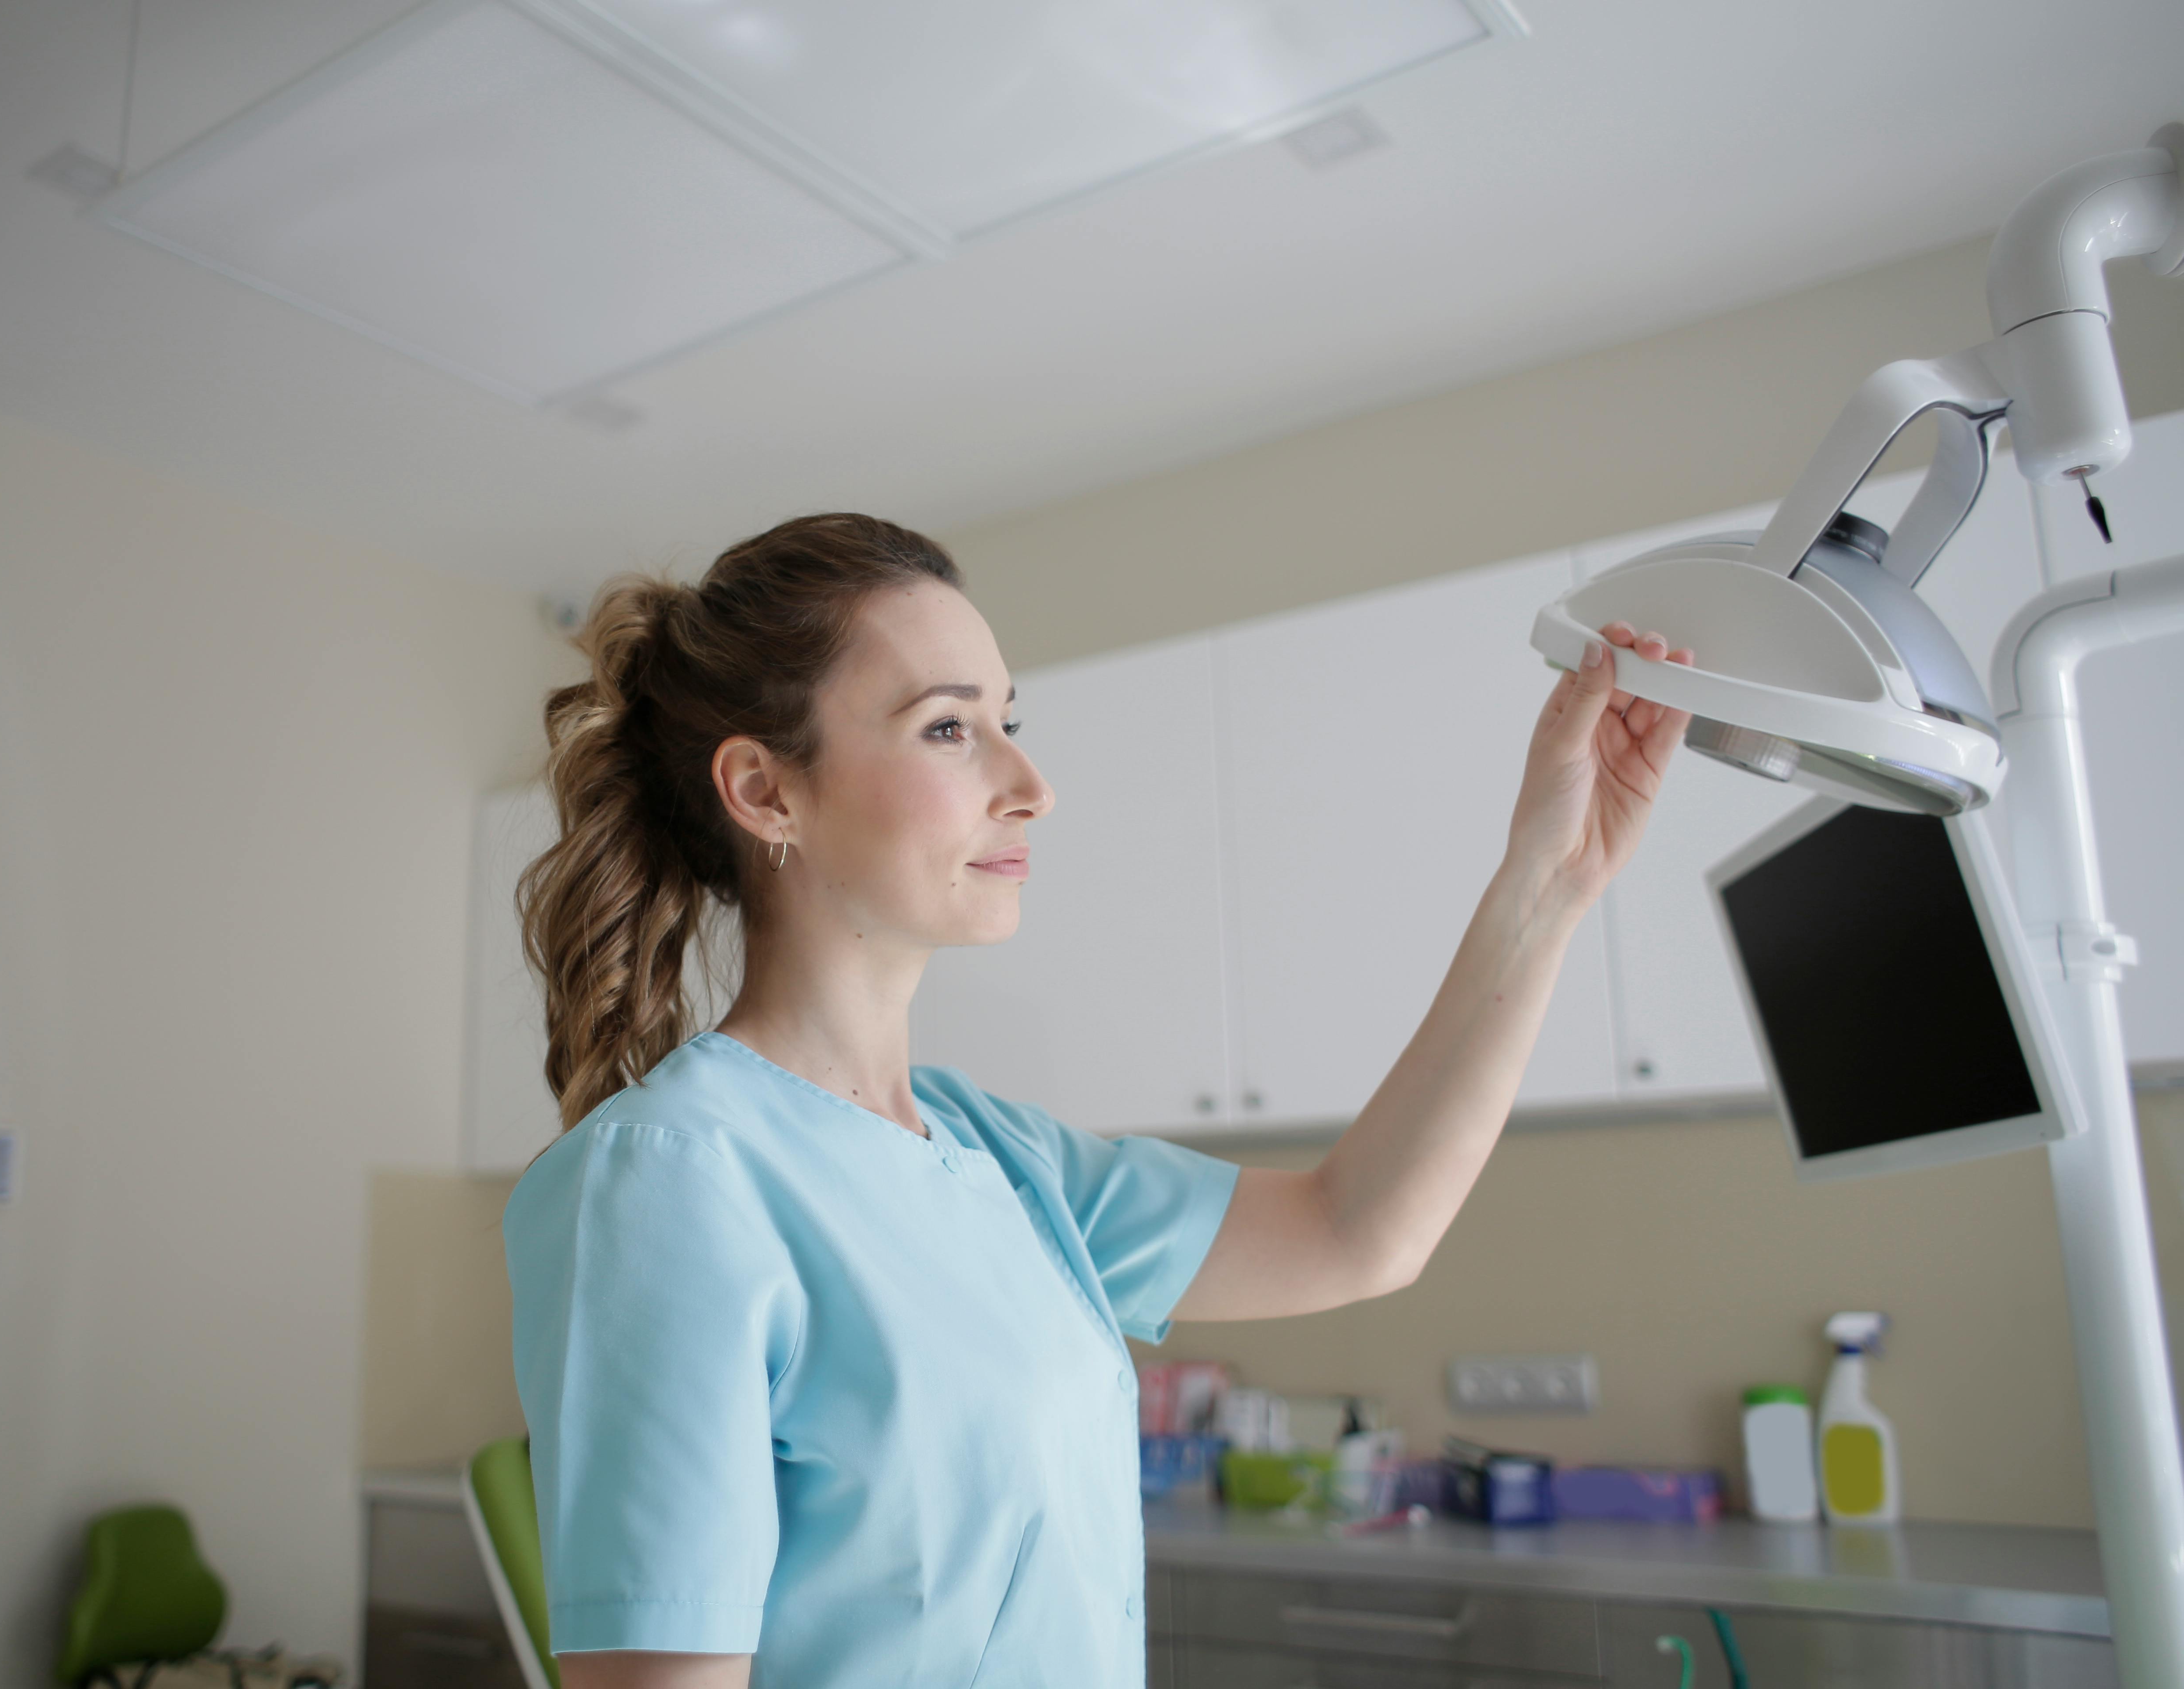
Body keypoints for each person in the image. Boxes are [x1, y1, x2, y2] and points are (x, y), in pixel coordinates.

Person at [505, 513, 1691, 1689]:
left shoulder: (1000, 1157)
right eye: (950, 728)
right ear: (766, 791)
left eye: (1008, 723)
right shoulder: (671, 1176)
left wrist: (1551, 880)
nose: (1030, 784)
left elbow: (1360, 1229)